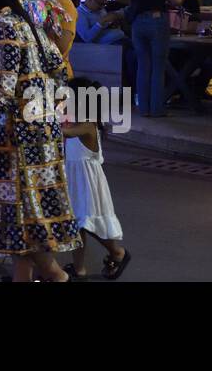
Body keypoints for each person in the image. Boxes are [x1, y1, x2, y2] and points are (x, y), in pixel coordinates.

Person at [0, 0, 78, 281]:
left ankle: (55, 274)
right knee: (29, 212)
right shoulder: (29, 23)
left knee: (20, 214)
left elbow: (2, 88)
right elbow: (58, 68)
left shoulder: (3, 28)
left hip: (14, 138)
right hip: (41, 133)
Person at [62, 76, 130, 280]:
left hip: (88, 182)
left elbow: (64, 133)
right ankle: (79, 267)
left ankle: (118, 252)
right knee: (78, 225)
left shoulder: (88, 126)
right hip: (77, 179)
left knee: (88, 225)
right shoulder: (79, 121)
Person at [126, 0, 179, 117]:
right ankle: (156, 109)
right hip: (157, 22)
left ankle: (143, 109)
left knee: (143, 65)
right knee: (158, 66)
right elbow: (177, 0)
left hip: (137, 24)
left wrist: (135, 2)